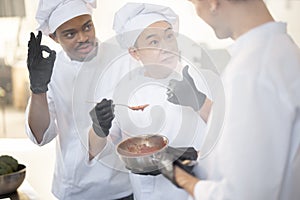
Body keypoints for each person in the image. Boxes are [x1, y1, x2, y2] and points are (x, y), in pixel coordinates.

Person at [164, 0, 300, 199]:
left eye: (195, 4)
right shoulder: (282, 49)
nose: (198, 14)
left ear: (213, 3)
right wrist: (201, 161)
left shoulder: (251, 71)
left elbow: (244, 195)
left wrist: (180, 177)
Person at [88, 2, 212, 200]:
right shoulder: (121, 93)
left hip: (201, 191)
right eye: (154, 42)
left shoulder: (203, 79)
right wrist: (98, 128)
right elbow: (94, 151)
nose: (166, 47)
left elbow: (230, 133)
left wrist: (199, 101)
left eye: (169, 36)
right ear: (134, 53)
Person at [25, 0, 133, 199]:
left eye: (87, 27)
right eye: (70, 34)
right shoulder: (51, 69)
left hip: (122, 185)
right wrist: (38, 89)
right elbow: (40, 136)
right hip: (75, 188)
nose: (83, 38)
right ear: (54, 37)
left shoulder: (121, 59)